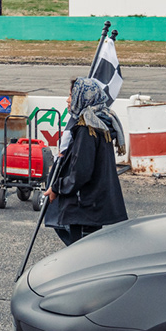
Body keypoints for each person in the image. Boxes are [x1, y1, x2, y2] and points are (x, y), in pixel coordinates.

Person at [45, 77, 128, 247]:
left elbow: (81, 171)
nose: (68, 100)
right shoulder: (101, 122)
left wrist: (57, 187)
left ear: (81, 97)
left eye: (71, 95)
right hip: (94, 204)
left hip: (85, 206)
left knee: (83, 251)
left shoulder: (87, 129)